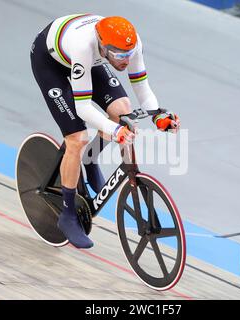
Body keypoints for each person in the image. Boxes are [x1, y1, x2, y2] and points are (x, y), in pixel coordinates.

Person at [30, 14, 180, 249]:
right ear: (103, 45)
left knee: (123, 110)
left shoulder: (131, 44)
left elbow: (142, 89)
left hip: (91, 60)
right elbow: (83, 107)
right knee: (77, 139)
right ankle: (68, 215)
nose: (124, 61)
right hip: (51, 63)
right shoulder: (84, 47)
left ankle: (90, 161)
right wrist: (114, 131)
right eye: (119, 56)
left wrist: (158, 115)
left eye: (128, 55)